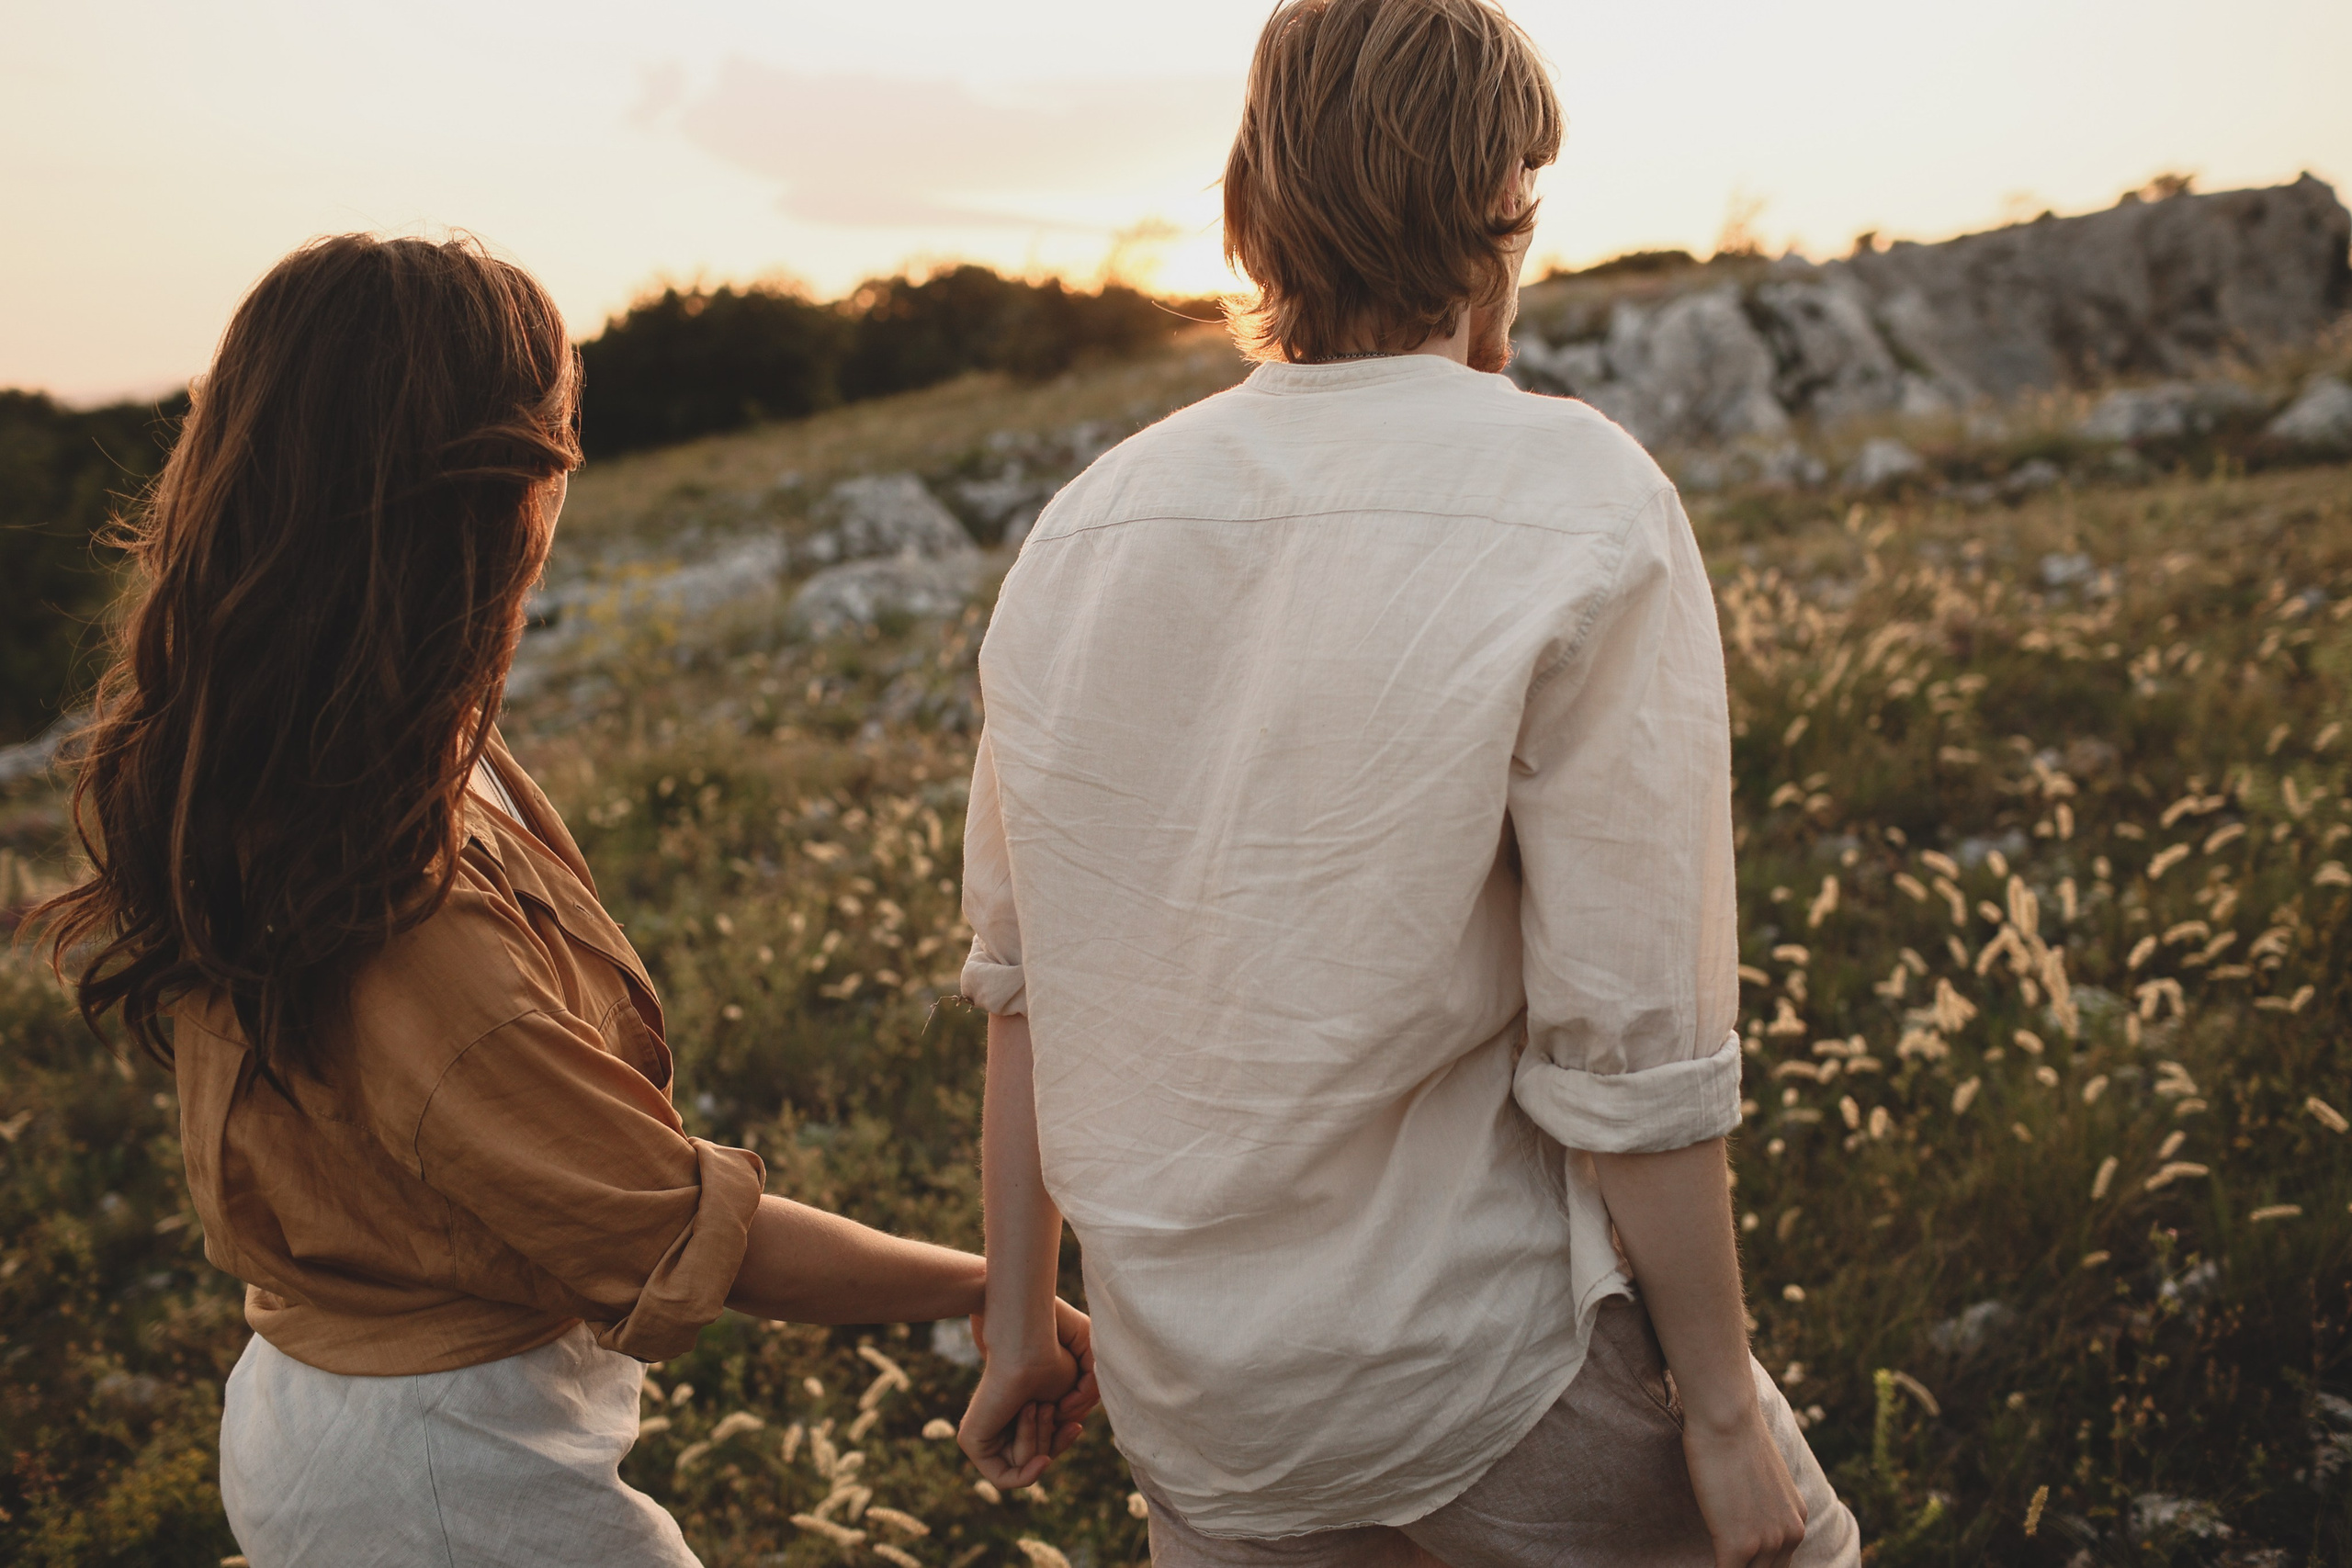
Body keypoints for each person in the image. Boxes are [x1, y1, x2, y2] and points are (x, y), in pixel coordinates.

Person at [951, 2, 1860, 1563]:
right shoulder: (1577, 492)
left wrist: (1021, 1323)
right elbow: (1631, 1037)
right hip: (1491, 1364)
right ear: (1505, 207)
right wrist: (1718, 1407)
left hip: (1205, 1411)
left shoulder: (1082, 534)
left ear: (1251, 212)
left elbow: (1032, 991)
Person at [30, 233, 1092, 1568]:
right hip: (446, 1481)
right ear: (496, 493)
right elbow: (685, 1230)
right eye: (559, 443)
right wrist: (1005, 1293)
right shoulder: (406, 918)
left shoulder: (374, 759)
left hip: (358, 1429)